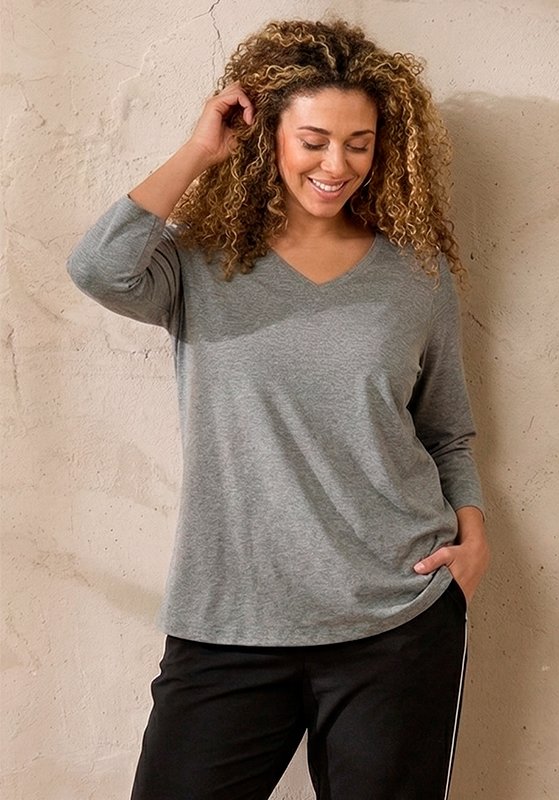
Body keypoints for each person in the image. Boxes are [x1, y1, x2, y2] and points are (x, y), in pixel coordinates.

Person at [67, 18, 489, 800]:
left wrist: (473, 538)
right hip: (230, 621)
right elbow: (99, 270)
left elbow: (446, 430)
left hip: (397, 618)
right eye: (314, 140)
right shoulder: (200, 262)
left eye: (359, 144)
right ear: (268, 138)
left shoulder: (415, 275)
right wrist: (199, 149)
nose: (337, 165)